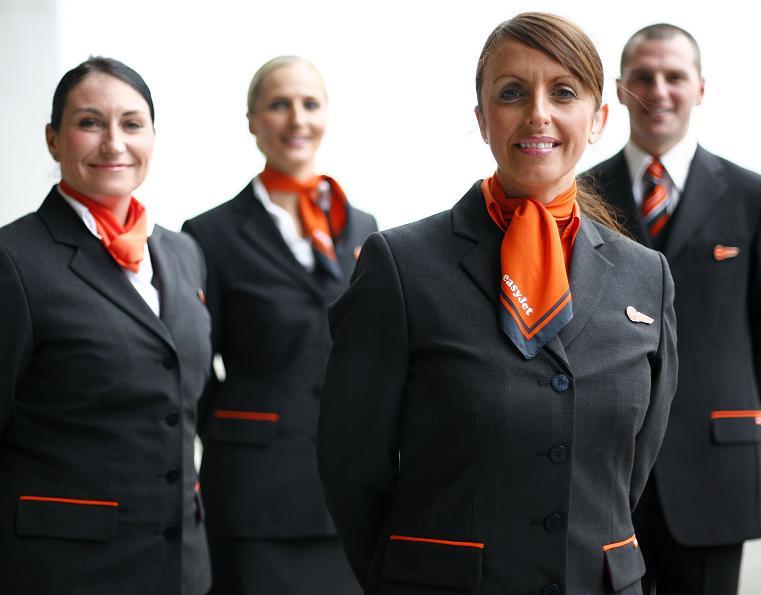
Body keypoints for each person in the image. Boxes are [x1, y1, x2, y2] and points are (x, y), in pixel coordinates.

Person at [317, 12, 678, 595]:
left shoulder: (647, 276)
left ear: (599, 120)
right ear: (482, 119)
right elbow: (351, 466)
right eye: (512, 93)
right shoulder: (402, 266)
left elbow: (630, 471)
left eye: (564, 92)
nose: (538, 113)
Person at [0, 57, 212, 594]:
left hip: (179, 565)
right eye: (90, 123)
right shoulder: (14, 260)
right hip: (64, 569)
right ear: (53, 139)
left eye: (132, 124)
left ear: (152, 138)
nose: (114, 143)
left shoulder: (183, 253)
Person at [182, 56, 377, 594]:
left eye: (310, 104)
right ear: (252, 120)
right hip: (253, 491)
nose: (297, 119)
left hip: (345, 488)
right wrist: (235, 429)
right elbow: (194, 362)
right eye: (278, 104)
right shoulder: (210, 233)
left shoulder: (362, 226)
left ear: (326, 114)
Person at [586, 23, 761, 595]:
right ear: (620, 89)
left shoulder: (752, 197)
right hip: (603, 470)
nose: (658, 90)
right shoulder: (580, 198)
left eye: (674, 76)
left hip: (716, 465)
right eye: (643, 77)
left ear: (700, 88)